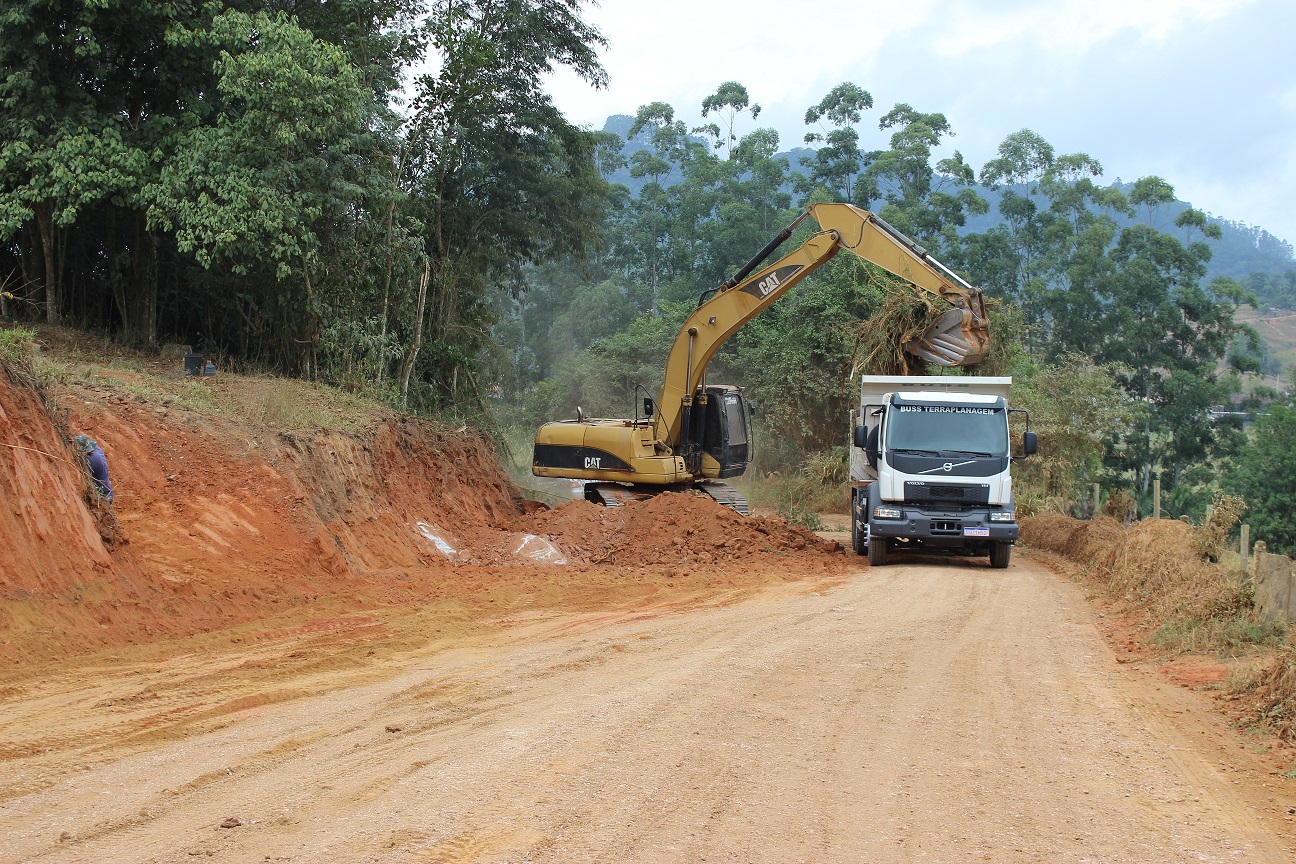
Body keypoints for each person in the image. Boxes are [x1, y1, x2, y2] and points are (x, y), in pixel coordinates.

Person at [74, 433, 114, 503]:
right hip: (107, 491)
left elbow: (83, 481)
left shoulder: (92, 460)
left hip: (104, 495)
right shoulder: (96, 448)